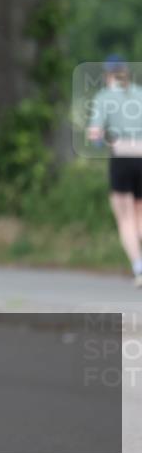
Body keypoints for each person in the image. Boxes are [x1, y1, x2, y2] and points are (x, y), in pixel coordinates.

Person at [87, 54, 142, 288]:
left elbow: (95, 134)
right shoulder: (139, 93)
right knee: (139, 214)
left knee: (125, 217)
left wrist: (103, 141)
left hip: (122, 156)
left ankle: (139, 265)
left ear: (108, 74)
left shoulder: (104, 97)